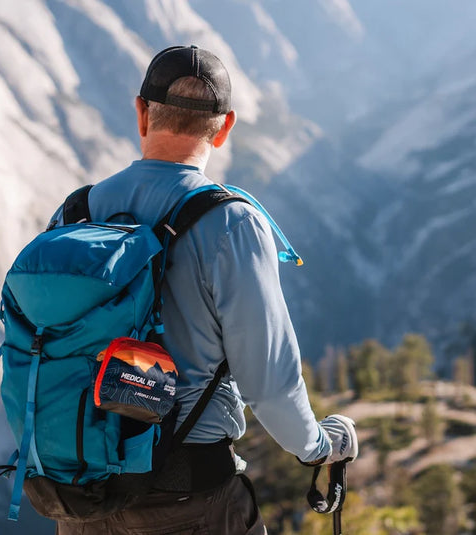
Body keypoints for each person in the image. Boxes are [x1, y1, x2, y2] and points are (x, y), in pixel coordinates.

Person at [52, 45, 358, 535]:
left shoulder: (76, 213)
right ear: (226, 125)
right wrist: (320, 446)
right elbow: (270, 385)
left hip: (83, 497)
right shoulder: (231, 223)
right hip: (191, 500)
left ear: (141, 113)